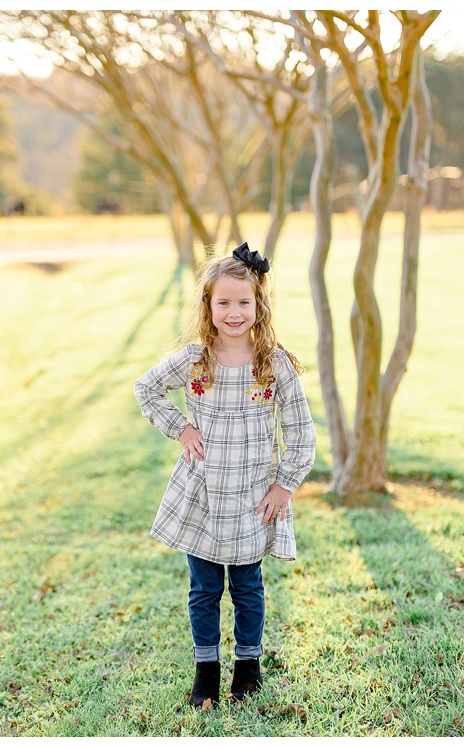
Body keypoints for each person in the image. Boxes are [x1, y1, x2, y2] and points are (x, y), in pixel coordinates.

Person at [134, 244, 317, 708]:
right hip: (203, 493)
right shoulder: (196, 359)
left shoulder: (273, 364)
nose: (234, 312)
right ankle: (205, 670)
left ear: (259, 305)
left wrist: (284, 485)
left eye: (244, 302)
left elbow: (300, 431)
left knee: (248, 587)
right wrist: (181, 427)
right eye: (224, 302)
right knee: (204, 589)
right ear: (208, 306)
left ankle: (248, 667)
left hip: (254, 495)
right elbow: (146, 388)